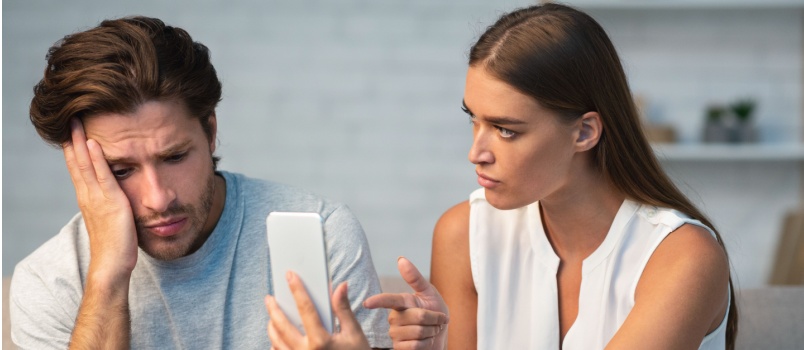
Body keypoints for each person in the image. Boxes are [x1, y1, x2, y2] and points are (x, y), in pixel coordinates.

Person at [266, 3, 737, 350]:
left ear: (584, 132)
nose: (476, 153)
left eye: (507, 130)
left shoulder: (683, 258)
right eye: (473, 119)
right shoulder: (464, 234)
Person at [9, 16, 392, 349]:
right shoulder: (48, 282)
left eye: (175, 156)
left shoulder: (326, 235)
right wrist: (108, 277)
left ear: (210, 131)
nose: (159, 198)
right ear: (80, 166)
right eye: (121, 170)